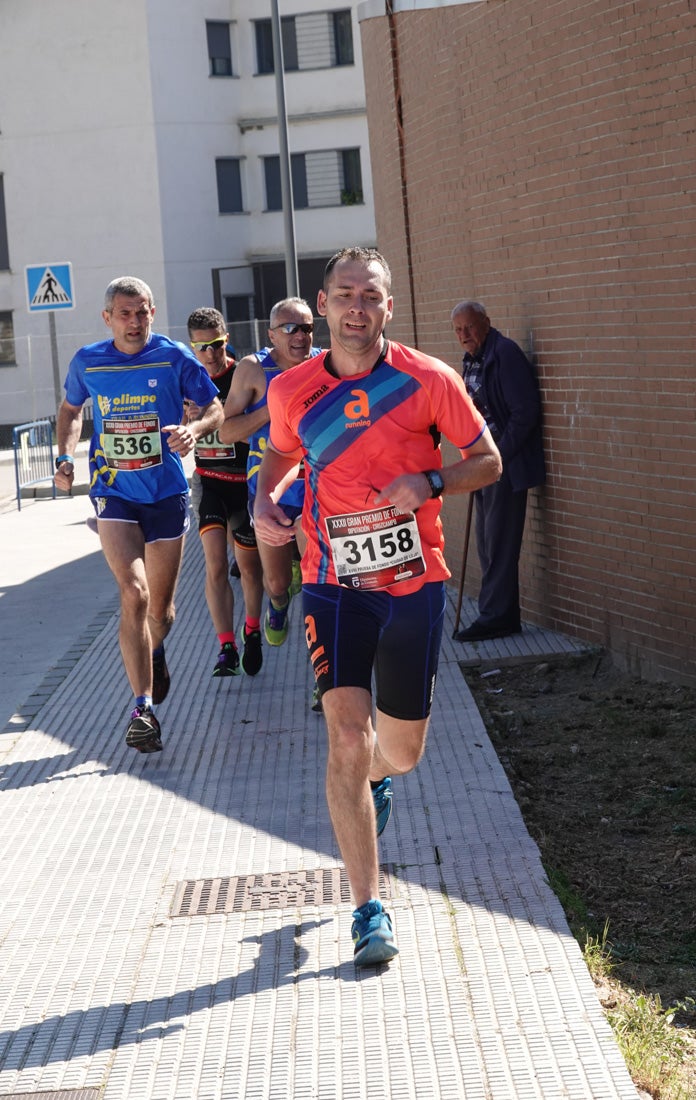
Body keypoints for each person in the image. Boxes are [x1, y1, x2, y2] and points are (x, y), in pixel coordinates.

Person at [253, 247, 502, 967]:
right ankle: (368, 906)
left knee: (400, 750)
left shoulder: (428, 379)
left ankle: (379, 779)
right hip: (331, 582)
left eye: (369, 295)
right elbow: (278, 455)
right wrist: (263, 496)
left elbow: (487, 459)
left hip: (413, 582)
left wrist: (430, 479)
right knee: (344, 735)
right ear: (323, 303)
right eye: (344, 294)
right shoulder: (293, 389)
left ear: (387, 307)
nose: (356, 306)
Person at [53, 277, 223, 753]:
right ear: (108, 318)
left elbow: (214, 406)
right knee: (133, 592)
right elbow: (69, 411)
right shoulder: (89, 361)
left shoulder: (173, 357)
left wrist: (194, 429)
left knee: (161, 612)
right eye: (125, 313)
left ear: (152, 312)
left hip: (166, 493)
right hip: (114, 493)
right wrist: (64, 457)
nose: (134, 321)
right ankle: (142, 708)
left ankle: (157, 647)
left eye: (142, 311)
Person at [219, 297, 319, 654]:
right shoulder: (253, 369)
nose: (300, 336)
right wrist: (274, 408)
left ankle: (323, 677)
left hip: (316, 489)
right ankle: (278, 604)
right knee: (276, 583)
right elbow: (226, 432)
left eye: (306, 327)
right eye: (290, 328)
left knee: (318, 583)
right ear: (272, 335)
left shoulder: (326, 364)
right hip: (270, 491)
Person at [450, 300, 546, 641]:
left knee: (500, 542)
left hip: (505, 465)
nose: (464, 335)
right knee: (487, 542)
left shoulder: (504, 354)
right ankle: (497, 614)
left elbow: (525, 412)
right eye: (458, 330)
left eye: (470, 328)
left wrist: (497, 458)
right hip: (482, 464)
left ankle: (497, 618)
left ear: (486, 323)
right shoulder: (473, 359)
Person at [185, 307, 265, 678]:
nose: (209, 355)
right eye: (201, 348)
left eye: (215, 345)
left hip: (242, 482)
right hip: (209, 481)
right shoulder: (189, 377)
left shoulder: (242, 375)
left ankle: (252, 630)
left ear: (226, 339)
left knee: (249, 569)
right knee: (215, 565)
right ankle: (226, 647)